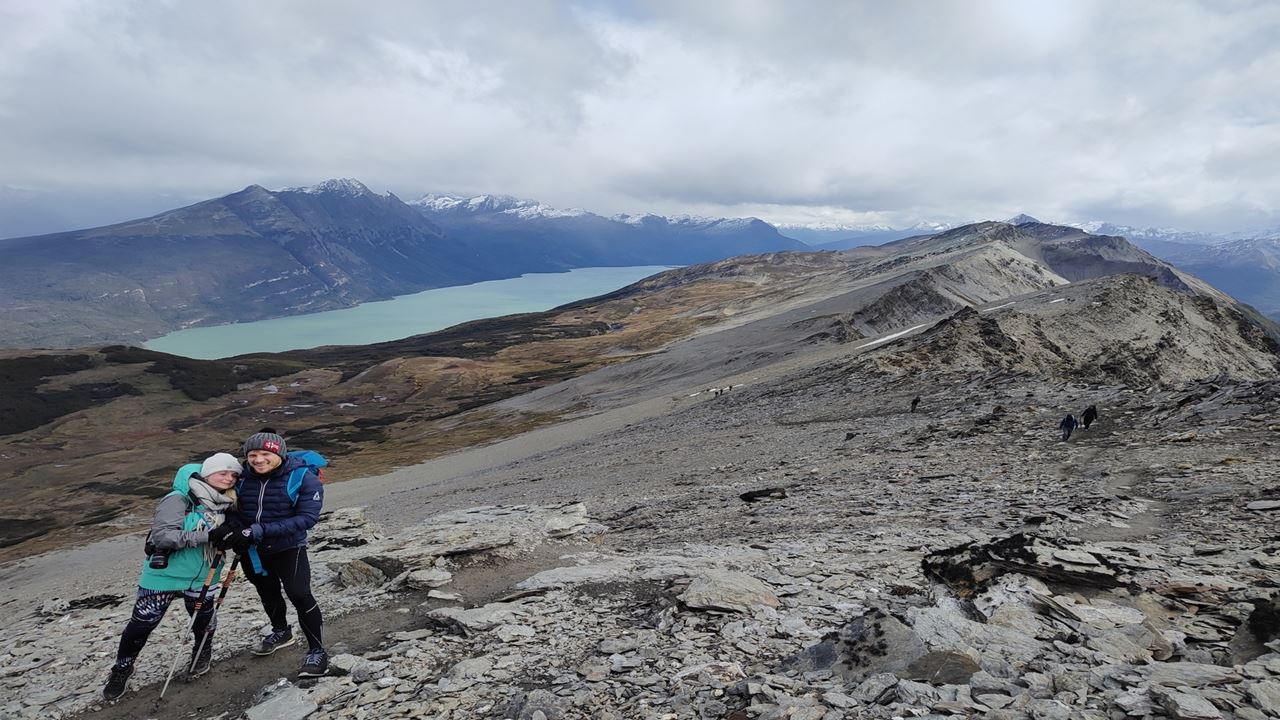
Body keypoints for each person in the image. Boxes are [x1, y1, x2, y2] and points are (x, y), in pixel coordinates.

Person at [103, 453, 242, 701]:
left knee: (203, 621)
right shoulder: (178, 498)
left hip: (204, 575)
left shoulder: (228, 502)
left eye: (233, 474)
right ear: (207, 473)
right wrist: (208, 536)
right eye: (223, 473)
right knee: (141, 626)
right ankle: (122, 669)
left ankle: (202, 653)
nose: (229, 478)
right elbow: (163, 537)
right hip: (163, 575)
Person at [229, 428, 329, 677]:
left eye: (265, 454)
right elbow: (232, 509)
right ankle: (281, 631)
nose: (258, 460)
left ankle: (317, 651)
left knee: (299, 594)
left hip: (288, 547)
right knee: (267, 591)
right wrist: (234, 531)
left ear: (280, 455)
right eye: (252, 454)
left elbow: (307, 518)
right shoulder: (241, 478)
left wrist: (258, 530)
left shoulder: (303, 478)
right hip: (252, 549)